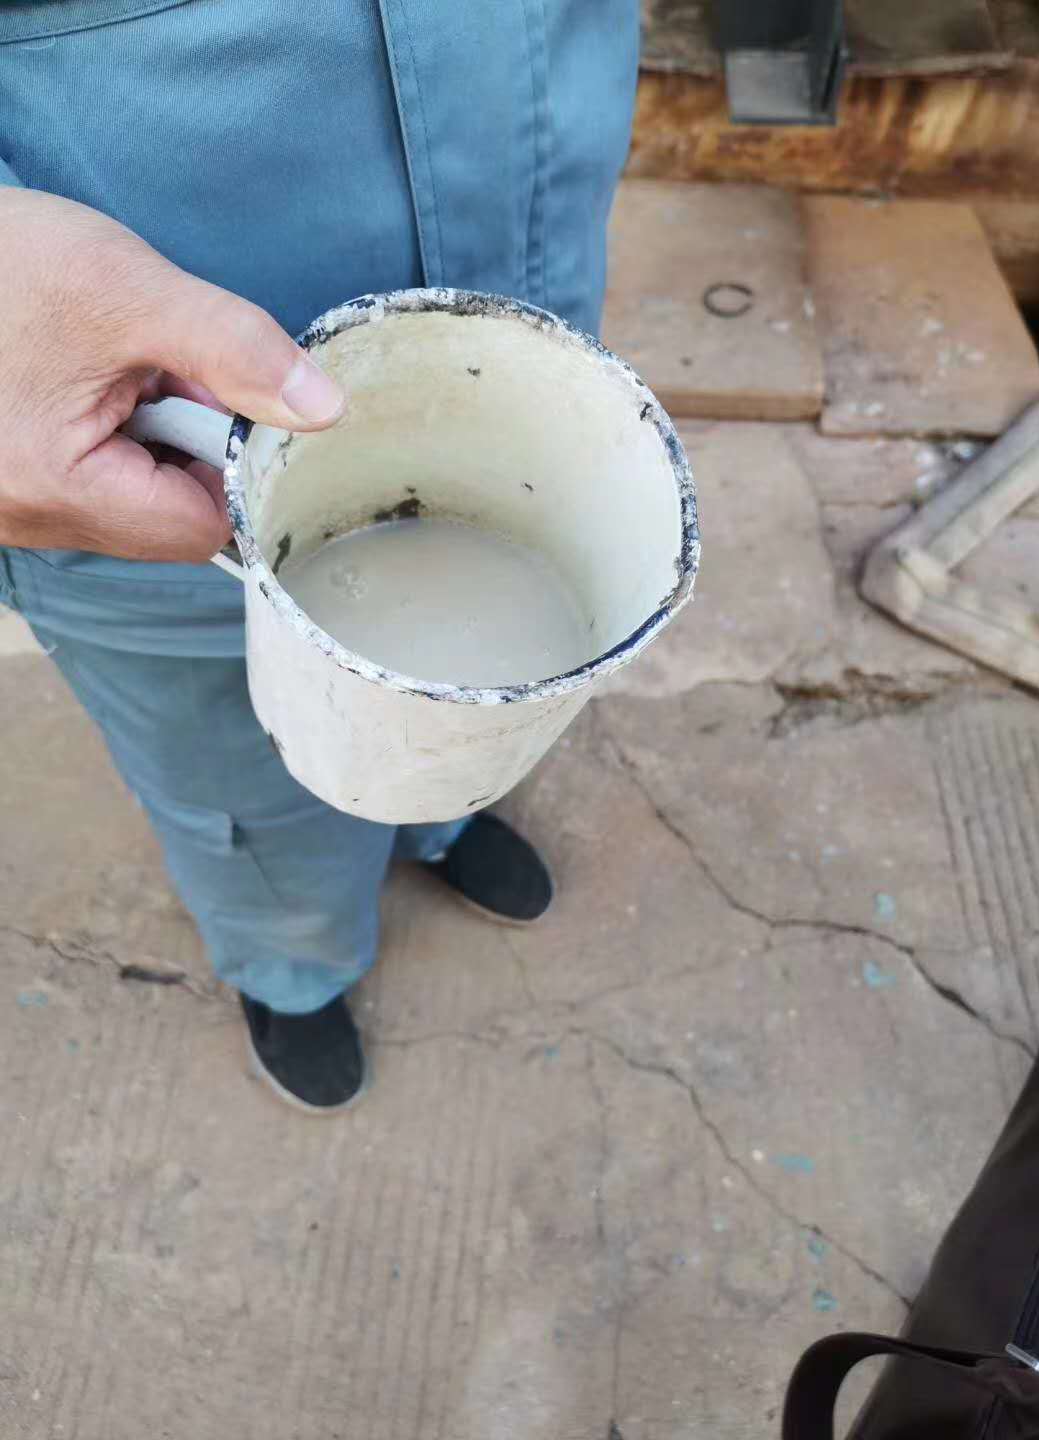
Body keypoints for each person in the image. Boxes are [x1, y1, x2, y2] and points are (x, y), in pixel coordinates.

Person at [0, 1, 637, 1112]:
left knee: (469, 703)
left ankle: (435, 816)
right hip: (142, 417)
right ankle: (293, 962)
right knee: (232, 775)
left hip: (526, 238)